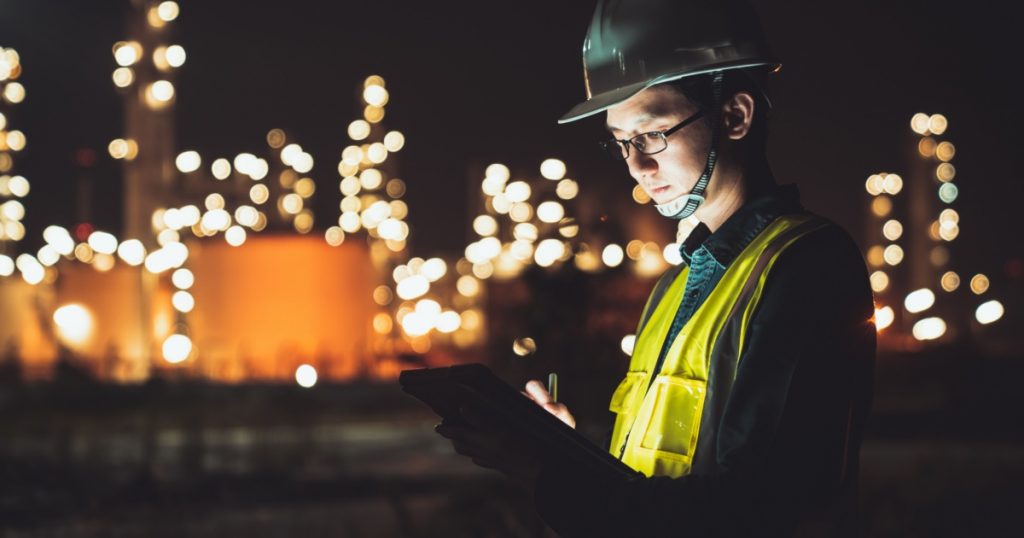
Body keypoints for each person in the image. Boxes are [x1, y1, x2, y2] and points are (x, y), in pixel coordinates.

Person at [436, 0, 876, 536]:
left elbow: (762, 506)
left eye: (652, 135)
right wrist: (562, 448)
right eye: (622, 143)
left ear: (735, 115)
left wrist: (543, 470)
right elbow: (651, 480)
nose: (637, 166)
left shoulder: (807, 266)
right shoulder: (674, 285)